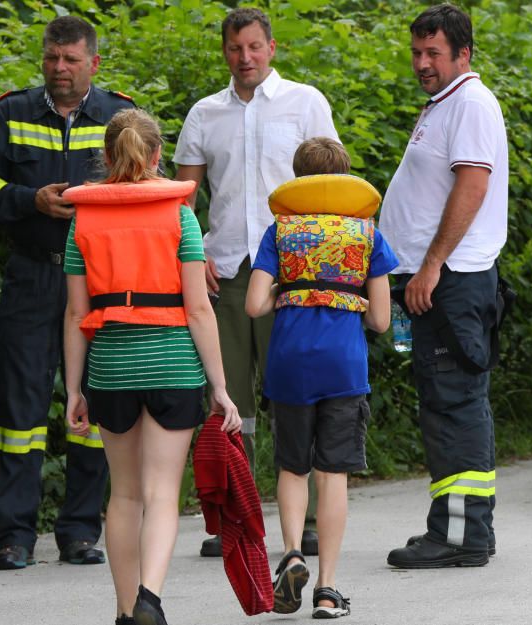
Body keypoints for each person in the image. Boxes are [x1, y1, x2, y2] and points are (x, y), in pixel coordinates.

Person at [0, 15, 135, 571]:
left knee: (96, 407)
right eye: (52, 58)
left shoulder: (120, 116)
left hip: (100, 281)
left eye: (71, 60)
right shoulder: (11, 111)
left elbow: (143, 190)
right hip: (32, 276)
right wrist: (28, 200)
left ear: (93, 63)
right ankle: (14, 537)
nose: (59, 68)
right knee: (19, 410)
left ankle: (80, 532)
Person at [60, 108, 241, 625]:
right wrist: (220, 386)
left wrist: (74, 389)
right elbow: (199, 309)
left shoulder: (83, 219)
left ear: (106, 155)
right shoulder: (179, 216)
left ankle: (124, 611)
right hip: (172, 365)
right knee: (161, 493)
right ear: (158, 154)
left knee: (123, 494)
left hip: (111, 368)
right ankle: (150, 599)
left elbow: (75, 313)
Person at [173, 6, 338, 558]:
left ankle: (306, 519)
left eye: (253, 46)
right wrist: (194, 256)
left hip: (292, 273)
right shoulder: (204, 113)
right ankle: (236, 520)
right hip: (224, 272)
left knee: (294, 393)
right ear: (224, 51)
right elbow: (184, 198)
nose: (244, 57)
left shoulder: (305, 102)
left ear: (271, 47)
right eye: (234, 48)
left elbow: (330, 185)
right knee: (228, 401)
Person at [379, 4, 507, 569]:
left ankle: (460, 535)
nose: (422, 63)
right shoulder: (446, 103)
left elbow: (472, 186)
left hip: (451, 281)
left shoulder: (471, 103)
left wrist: (431, 265)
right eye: (416, 52)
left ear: (464, 54)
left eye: (433, 52)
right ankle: (463, 526)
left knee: (453, 403)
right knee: (449, 401)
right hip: (442, 280)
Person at [246, 138, 397, 617]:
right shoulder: (366, 235)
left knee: (292, 467)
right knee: (332, 476)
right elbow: (381, 320)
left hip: (289, 361)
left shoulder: (280, 232)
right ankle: (328, 590)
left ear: (298, 178)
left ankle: (292, 553)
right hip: (342, 364)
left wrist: (285, 291)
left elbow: (253, 305)